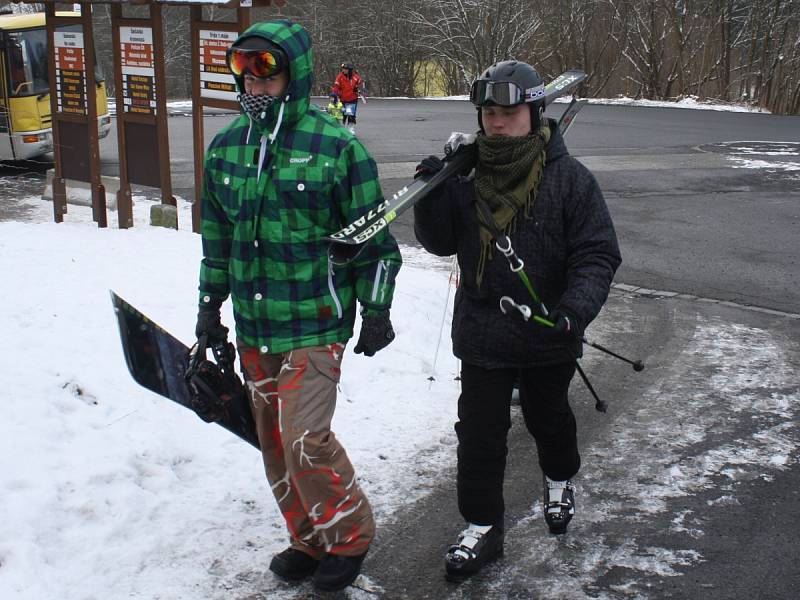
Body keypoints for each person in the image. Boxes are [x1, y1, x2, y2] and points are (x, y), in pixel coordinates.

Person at [195, 20, 402, 592]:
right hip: (256, 326)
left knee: (306, 439)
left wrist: (377, 308)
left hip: (315, 322)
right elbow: (217, 239)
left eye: (267, 71)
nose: (255, 86)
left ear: (295, 73)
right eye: (245, 71)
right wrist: (209, 309)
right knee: (273, 442)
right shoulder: (228, 148)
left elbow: (376, 243)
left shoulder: (338, 148)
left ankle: (350, 534)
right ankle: (309, 537)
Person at [413, 60, 621, 581]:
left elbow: (597, 253)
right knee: (479, 433)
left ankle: (559, 477)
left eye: (508, 112)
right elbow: (439, 244)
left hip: (548, 330)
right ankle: (482, 525)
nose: (497, 122)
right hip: (484, 330)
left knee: (546, 416)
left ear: (533, 112)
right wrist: (431, 193)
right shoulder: (465, 175)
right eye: (488, 112)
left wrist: (575, 311)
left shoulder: (570, 179)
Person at [332, 62, 362, 132]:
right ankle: (342, 129)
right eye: (343, 69)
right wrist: (336, 94)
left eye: (345, 69)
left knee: (350, 114)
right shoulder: (340, 77)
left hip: (352, 99)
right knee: (342, 114)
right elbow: (336, 87)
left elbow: (361, 85)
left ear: (350, 70)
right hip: (343, 99)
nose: (344, 70)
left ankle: (350, 128)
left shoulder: (356, 77)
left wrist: (358, 89)